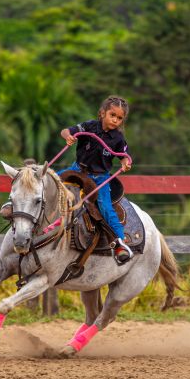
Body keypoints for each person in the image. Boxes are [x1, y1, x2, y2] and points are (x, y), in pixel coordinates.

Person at [59, 95, 134, 264]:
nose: (115, 120)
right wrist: (68, 137)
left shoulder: (118, 138)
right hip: (77, 169)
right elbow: (66, 131)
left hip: (100, 178)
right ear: (102, 113)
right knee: (52, 182)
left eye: (119, 118)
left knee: (106, 208)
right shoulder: (89, 126)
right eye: (112, 115)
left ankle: (120, 243)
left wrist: (125, 163)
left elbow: (124, 156)